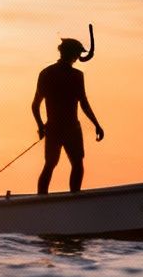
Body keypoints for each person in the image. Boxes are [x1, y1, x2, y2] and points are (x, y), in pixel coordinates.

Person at [32, 33, 103, 193]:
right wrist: (97, 125)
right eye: (78, 54)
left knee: (50, 165)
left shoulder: (46, 73)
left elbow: (35, 106)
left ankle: (41, 199)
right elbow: (83, 104)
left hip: (54, 128)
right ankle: (74, 198)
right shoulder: (76, 76)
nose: (78, 58)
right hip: (70, 129)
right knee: (76, 164)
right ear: (74, 55)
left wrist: (41, 126)